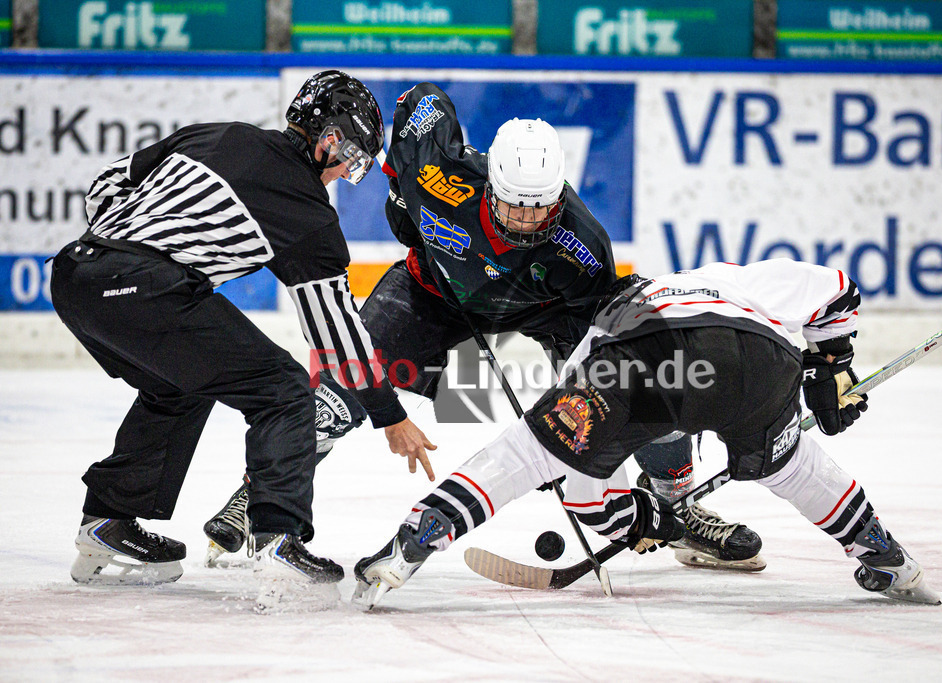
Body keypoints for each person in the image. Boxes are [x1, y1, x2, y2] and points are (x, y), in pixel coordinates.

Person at [202, 81, 764, 571]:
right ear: (490, 183)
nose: (524, 222)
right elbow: (421, 101)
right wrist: (407, 202)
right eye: (513, 206)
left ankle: (679, 503)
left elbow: (604, 339)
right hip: (433, 290)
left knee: (636, 385)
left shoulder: (583, 248)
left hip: (545, 310)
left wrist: (567, 433)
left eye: (539, 210)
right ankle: (261, 498)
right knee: (345, 388)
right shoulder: (438, 171)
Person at [49, 70, 435, 607]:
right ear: (329, 139)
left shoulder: (218, 133)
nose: (346, 175)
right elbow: (336, 332)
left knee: (176, 385)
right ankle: (279, 539)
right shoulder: (305, 210)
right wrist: (389, 414)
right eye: (352, 161)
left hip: (73, 276)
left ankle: (108, 521)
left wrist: (115, 250)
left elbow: (109, 179)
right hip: (147, 288)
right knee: (284, 390)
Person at [352, 260, 940, 609]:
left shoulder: (603, 333)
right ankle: (889, 560)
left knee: (527, 453)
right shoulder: (738, 280)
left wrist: (634, 519)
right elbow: (838, 288)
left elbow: (583, 490)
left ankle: (410, 545)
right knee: (795, 466)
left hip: (644, 359)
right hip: (760, 362)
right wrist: (832, 364)